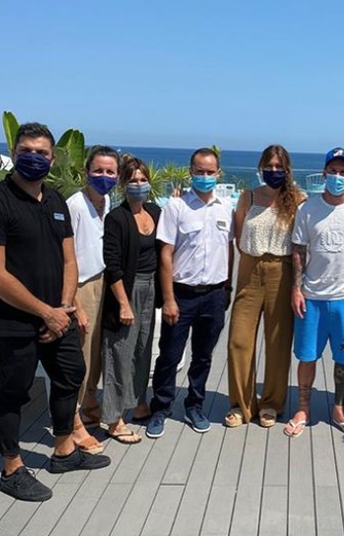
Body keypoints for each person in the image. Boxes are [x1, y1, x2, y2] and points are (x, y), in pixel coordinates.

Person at [0, 122, 110, 502]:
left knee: (70, 375)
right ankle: (11, 468)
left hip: (58, 314)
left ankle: (63, 450)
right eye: (26, 151)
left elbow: (69, 261)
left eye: (42, 153)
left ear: (52, 158)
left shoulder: (56, 201)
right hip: (11, 320)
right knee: (13, 390)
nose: (34, 158)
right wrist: (46, 313)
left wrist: (62, 308)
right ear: (14, 154)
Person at [285, 147, 344, 438]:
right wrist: (296, 289)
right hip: (312, 297)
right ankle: (303, 408)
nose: (337, 176)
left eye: (342, 172)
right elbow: (298, 250)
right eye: (332, 171)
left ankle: (339, 408)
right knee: (307, 355)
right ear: (324, 173)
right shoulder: (307, 209)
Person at [146, 148, 234, 436]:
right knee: (169, 355)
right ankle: (160, 408)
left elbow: (229, 249)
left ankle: (194, 405)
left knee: (203, 356)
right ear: (190, 172)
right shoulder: (176, 207)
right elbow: (165, 254)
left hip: (214, 294)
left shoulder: (226, 207)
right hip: (181, 294)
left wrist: (227, 287)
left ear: (218, 173)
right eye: (199, 171)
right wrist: (169, 299)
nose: (205, 176)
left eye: (210, 172)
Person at [225, 145, 305, 428]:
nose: (273, 171)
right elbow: (238, 237)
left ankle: (271, 403)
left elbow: (303, 244)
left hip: (282, 271)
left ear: (287, 169)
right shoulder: (247, 196)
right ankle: (241, 404)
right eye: (269, 166)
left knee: (277, 342)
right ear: (261, 167)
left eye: (278, 166)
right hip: (249, 269)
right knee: (238, 340)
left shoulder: (298, 199)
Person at [101, 155, 161, 443]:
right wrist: (123, 304)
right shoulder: (116, 218)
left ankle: (138, 403)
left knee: (142, 349)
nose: (139, 184)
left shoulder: (155, 211)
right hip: (126, 288)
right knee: (119, 353)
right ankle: (113, 419)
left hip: (152, 286)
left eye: (143, 179)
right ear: (123, 184)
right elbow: (112, 265)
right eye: (133, 180)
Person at [66, 145, 119, 454]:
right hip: (82, 286)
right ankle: (71, 422)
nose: (104, 176)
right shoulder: (74, 205)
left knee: (97, 353)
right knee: (81, 358)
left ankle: (89, 406)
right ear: (87, 172)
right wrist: (74, 303)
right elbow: (65, 256)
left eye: (110, 171)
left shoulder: (108, 201)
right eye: (98, 170)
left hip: (104, 282)